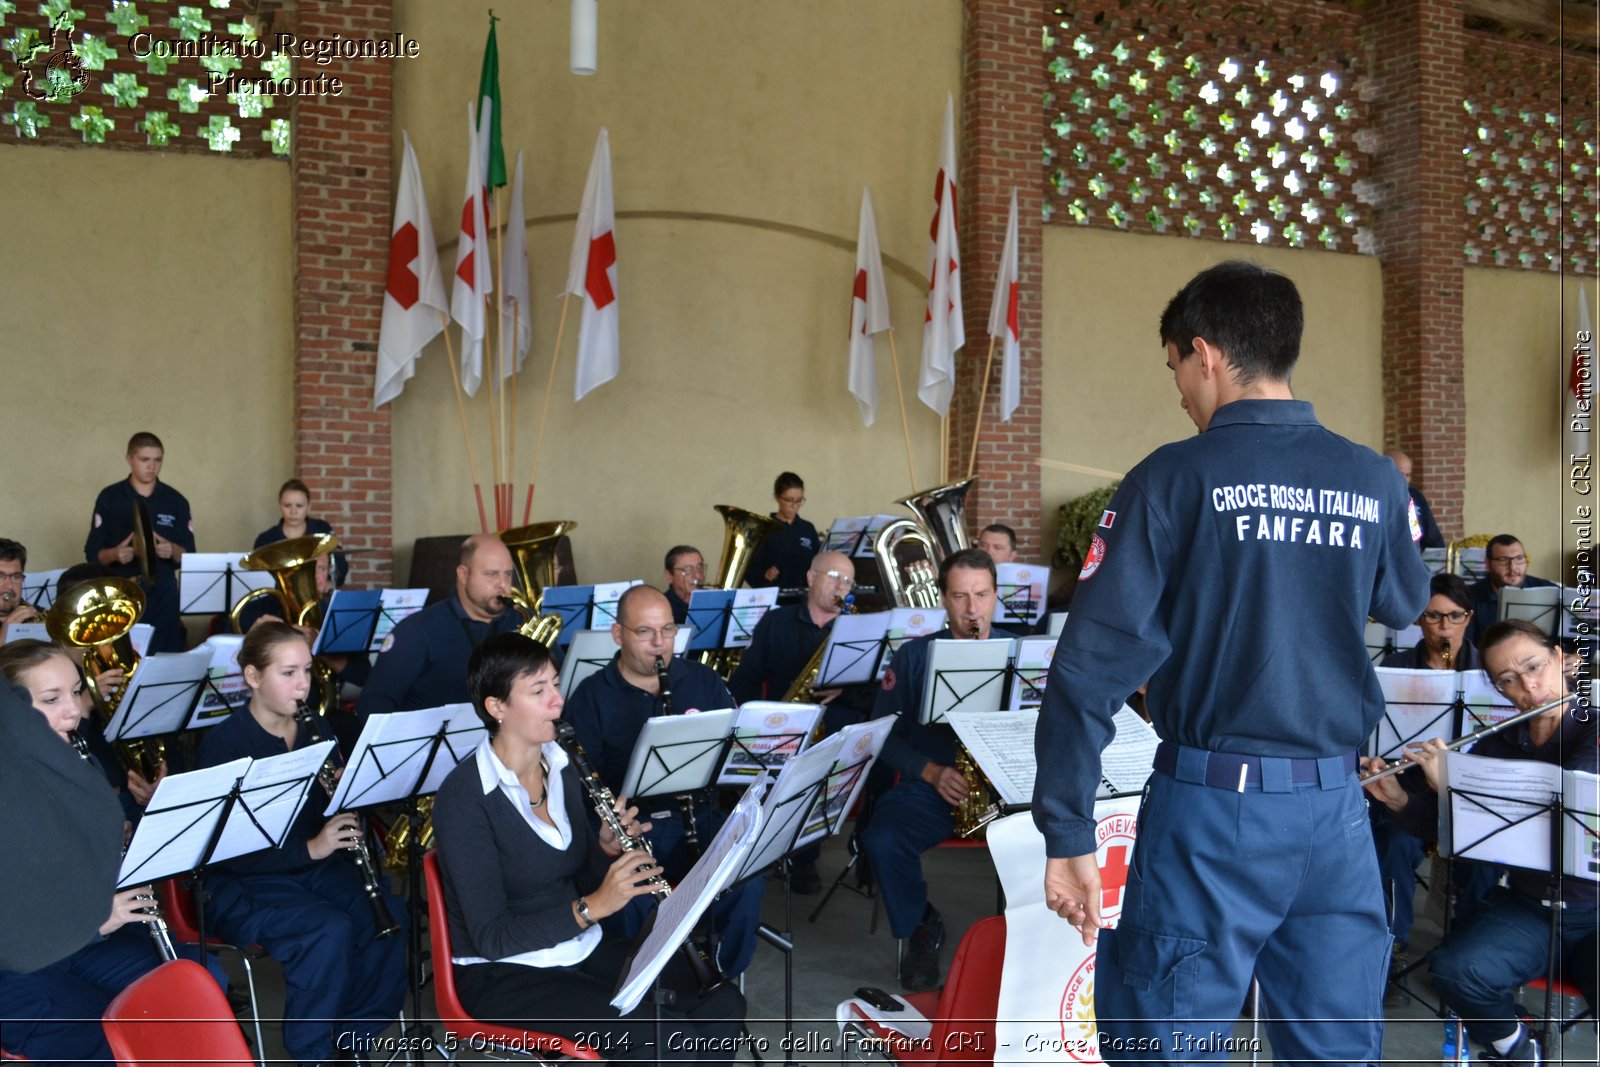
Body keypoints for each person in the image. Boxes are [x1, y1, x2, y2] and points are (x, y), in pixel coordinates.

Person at [1033, 261, 1431, 1062]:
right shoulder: (1372, 480)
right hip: (1336, 814)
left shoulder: (1172, 478)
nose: (1178, 387)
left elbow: (1088, 669)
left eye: (1175, 364)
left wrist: (1066, 827)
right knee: (1333, 1049)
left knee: (1171, 1043)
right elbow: (1405, 603)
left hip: (1214, 816)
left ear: (1205, 352)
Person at [433, 632, 746, 1066]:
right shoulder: (464, 798)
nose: (557, 701)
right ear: (496, 707)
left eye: (556, 684)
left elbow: (575, 875)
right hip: (503, 973)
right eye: (538, 690)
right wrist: (592, 906)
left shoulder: (560, 766)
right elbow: (492, 937)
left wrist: (603, 847)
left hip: (579, 947)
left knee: (721, 1000)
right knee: (662, 1040)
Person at [1363, 620, 1597, 1065]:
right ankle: (1517, 1049)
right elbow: (1458, 832)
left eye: (1534, 667)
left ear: (1563, 660)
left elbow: (1568, 788)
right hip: (1531, 908)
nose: (1529, 686)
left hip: (1596, 911)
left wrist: (1452, 780)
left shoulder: (1593, 731)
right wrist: (1399, 798)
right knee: (1455, 971)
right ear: (1499, 689)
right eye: (1509, 680)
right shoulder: (1497, 745)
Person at [0, 640, 226, 1064]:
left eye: (76, 692)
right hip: (20, 967)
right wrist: (96, 919)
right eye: (51, 699)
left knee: (198, 986)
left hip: (89, 942)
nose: (74, 711)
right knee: (101, 1042)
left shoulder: (78, 763)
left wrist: (147, 820)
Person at [196, 623, 406, 1066]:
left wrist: (349, 795)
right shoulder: (224, 745)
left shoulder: (316, 729)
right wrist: (311, 847)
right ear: (253, 677)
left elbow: (329, 815)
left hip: (316, 867)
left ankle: (351, 1038)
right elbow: (224, 847)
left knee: (389, 919)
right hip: (244, 881)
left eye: (307, 671)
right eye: (288, 673)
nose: (303, 684)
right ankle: (311, 1053)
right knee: (326, 932)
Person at [562, 586, 764, 976]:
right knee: (636, 902)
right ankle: (654, 985)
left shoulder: (703, 682)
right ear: (618, 635)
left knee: (747, 880)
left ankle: (720, 977)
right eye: (645, 632)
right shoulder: (590, 698)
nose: (660, 643)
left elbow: (735, 758)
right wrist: (610, 831)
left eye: (668, 630)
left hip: (701, 817)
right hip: (636, 831)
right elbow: (583, 794)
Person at [862, 547, 1019, 991]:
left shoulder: (1024, 655)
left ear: (995, 596)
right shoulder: (913, 657)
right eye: (960, 596)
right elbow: (880, 735)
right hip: (937, 787)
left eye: (982, 595)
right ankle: (920, 924)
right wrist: (928, 771)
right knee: (882, 837)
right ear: (943, 599)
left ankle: (1030, 937)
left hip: (1007, 791)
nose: (973, 609)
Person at [728, 550, 870, 894]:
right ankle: (762, 849)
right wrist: (751, 721)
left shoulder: (860, 629)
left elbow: (877, 695)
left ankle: (807, 855)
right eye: (834, 576)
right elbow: (746, 678)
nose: (841, 586)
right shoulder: (776, 622)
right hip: (786, 725)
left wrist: (846, 692)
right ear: (811, 577)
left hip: (837, 726)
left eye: (848, 581)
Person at [1374, 573, 1480, 1003]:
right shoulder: (1395, 669)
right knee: (1393, 845)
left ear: (1468, 618)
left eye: (1454, 616)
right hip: (1409, 786)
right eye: (1434, 616)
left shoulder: (1488, 671)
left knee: (1485, 856)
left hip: (1469, 789)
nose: (1444, 627)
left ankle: (1471, 951)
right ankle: (1392, 947)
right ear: (1419, 619)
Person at [357, 534, 523, 716]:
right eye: (491, 574)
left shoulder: (520, 620)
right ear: (463, 575)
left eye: (508, 574)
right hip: (439, 742)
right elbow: (374, 702)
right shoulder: (417, 630)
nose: (504, 586)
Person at [84, 432, 194, 654]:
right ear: (129, 459)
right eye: (145, 460)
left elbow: (190, 555)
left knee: (167, 654)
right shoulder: (110, 498)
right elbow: (92, 553)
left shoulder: (176, 500)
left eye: (157, 460)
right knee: (124, 655)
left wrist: (172, 550)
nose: (152, 466)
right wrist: (115, 554)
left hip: (164, 591)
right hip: (121, 589)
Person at [254, 478, 349, 587]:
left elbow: (340, 564)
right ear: (279, 505)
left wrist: (329, 584)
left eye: (299, 506)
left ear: (309, 506)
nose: (293, 512)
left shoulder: (322, 529)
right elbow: (259, 579)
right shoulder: (265, 539)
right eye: (287, 505)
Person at [1466, 534, 1558, 644]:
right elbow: (1468, 647)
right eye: (1503, 560)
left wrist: (1576, 655)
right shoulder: (1469, 597)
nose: (1513, 567)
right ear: (1487, 564)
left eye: (1519, 558)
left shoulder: (1549, 590)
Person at [747, 472, 820, 601]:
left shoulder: (808, 529)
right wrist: (765, 574)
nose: (795, 505)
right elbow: (749, 570)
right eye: (789, 500)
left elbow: (818, 564)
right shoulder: (763, 529)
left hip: (804, 602)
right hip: (774, 602)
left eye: (799, 500)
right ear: (777, 497)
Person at [1386, 450, 1445, 550]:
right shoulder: (1377, 495)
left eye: (1408, 475)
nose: (1404, 479)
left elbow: (1434, 539)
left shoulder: (1416, 497)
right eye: (1400, 474)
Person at [0, 538, 40, 644]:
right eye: (0, 576)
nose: (9, 586)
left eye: (15, 577)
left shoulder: (38, 613)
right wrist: (5, 635)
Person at [662, 545, 705, 626]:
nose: (697, 575)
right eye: (687, 569)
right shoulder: (662, 607)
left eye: (700, 567)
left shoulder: (715, 599)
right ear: (669, 576)